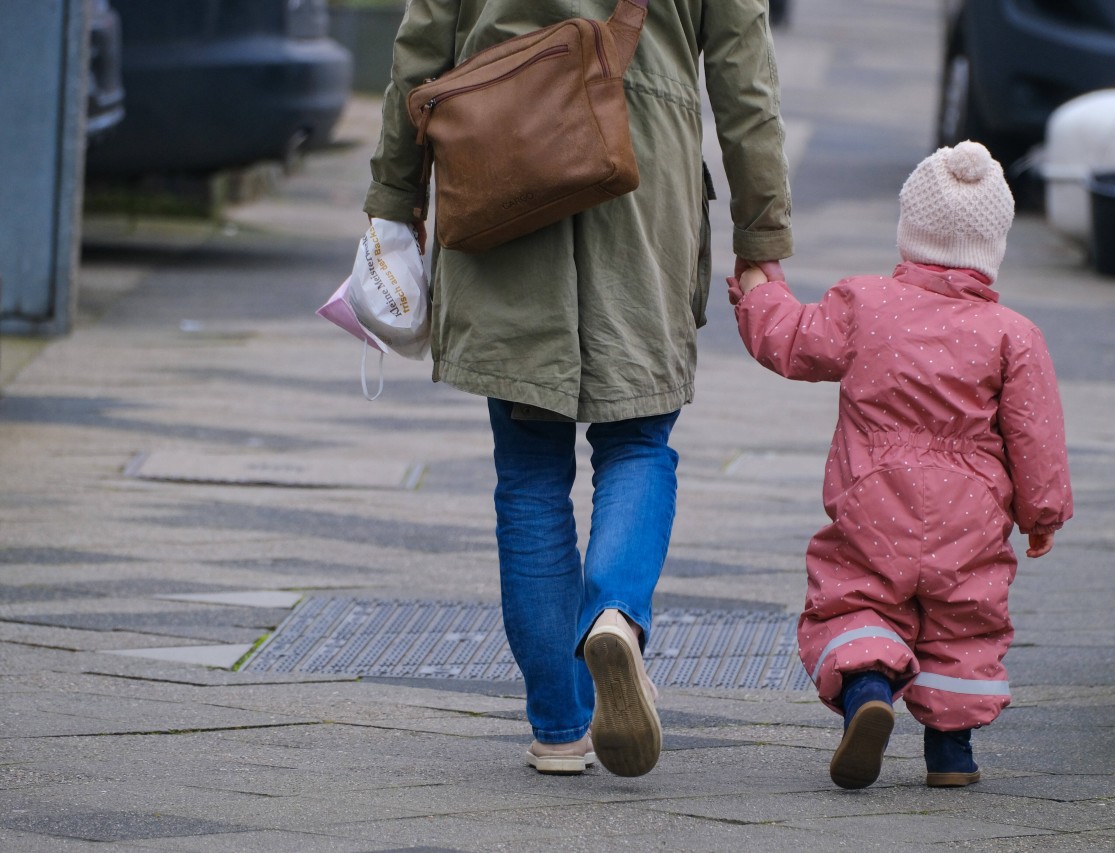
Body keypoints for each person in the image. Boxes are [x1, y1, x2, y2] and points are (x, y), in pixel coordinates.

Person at [363, 0, 792, 778]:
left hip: (499, 178)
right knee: (638, 442)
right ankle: (617, 615)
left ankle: (560, 728)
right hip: (641, 186)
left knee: (528, 472)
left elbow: (419, 48)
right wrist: (761, 234)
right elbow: (743, 74)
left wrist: (395, 199)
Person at [727, 140, 1072, 789]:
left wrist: (760, 286)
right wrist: (1042, 513)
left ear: (909, 232)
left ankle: (867, 692)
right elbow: (1036, 437)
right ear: (991, 246)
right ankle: (951, 753)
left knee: (854, 597)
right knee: (965, 618)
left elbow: (791, 341)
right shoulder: (1013, 335)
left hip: (872, 499)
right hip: (968, 516)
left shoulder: (864, 303)